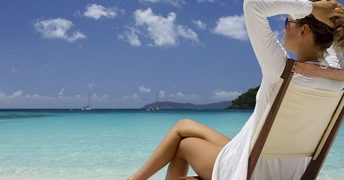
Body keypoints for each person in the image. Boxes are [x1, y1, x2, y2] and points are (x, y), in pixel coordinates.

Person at [128, 0, 344, 179]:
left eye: (287, 23)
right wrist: (331, 17)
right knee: (184, 125)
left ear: (304, 30)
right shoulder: (337, 77)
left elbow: (253, 5)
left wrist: (311, 8)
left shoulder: (282, 70)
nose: (283, 28)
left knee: (184, 144)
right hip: (286, 172)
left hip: (251, 171)